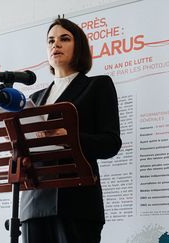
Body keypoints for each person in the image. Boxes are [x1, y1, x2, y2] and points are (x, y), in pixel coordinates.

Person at [20, 18, 122, 243]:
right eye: (51, 41)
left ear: (79, 47)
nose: (55, 45)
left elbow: (111, 142)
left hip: (77, 202)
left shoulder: (98, 85)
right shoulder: (34, 100)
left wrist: (68, 138)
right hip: (33, 203)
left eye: (64, 39)